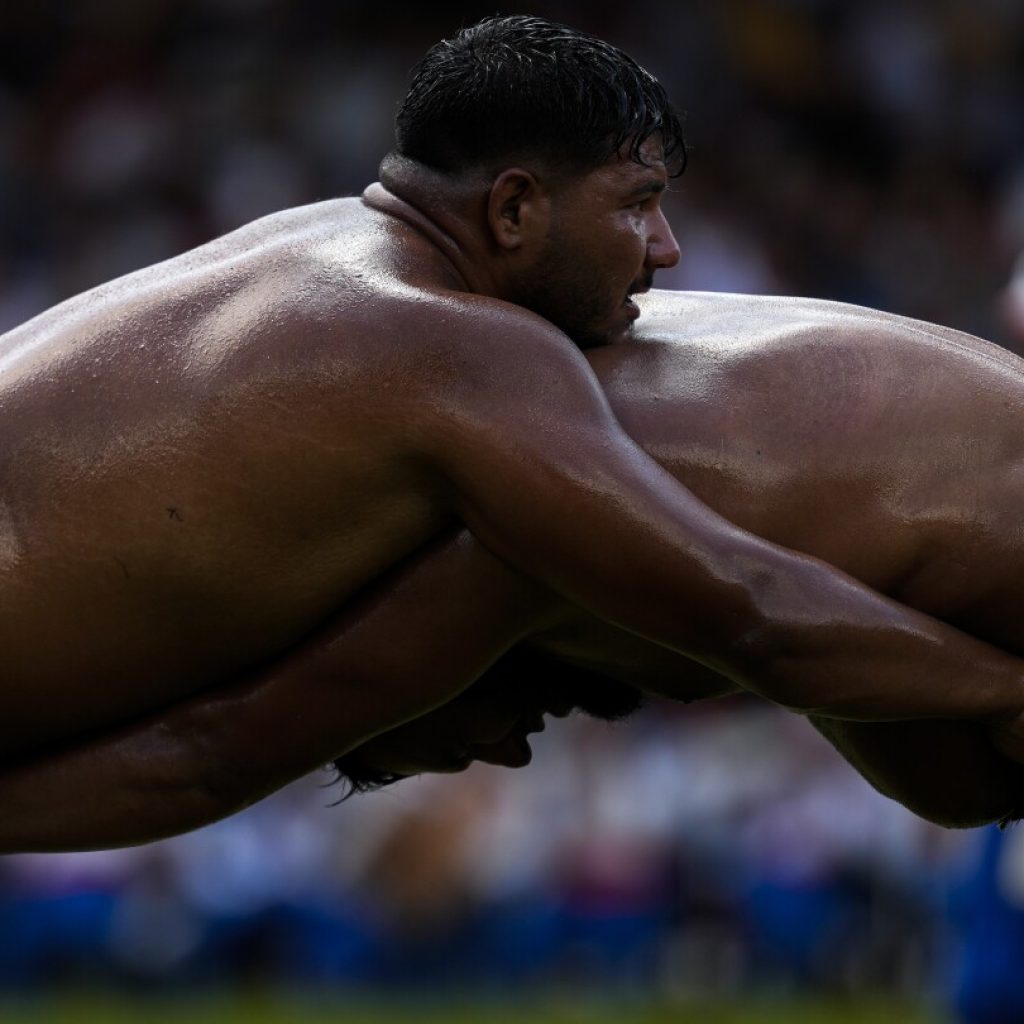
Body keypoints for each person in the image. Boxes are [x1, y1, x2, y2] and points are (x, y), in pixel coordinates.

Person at [3, 16, 1024, 850]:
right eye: (637, 205)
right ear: (514, 209)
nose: (668, 249)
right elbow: (750, 607)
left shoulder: (315, 246)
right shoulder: (468, 362)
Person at [7, 288, 1024, 851]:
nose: (506, 759)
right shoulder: (531, 422)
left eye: (407, 751)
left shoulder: (510, 526)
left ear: (391, 680)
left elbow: (215, 751)